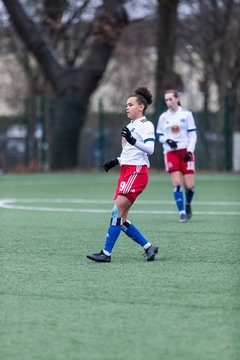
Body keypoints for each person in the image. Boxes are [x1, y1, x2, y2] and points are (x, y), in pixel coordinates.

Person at [87, 86, 158, 262]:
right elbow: (129, 153)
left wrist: (134, 141)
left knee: (116, 211)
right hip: (127, 171)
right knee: (122, 218)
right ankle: (149, 247)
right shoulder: (129, 126)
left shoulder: (146, 125)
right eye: (126, 105)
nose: (127, 107)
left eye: (131, 104)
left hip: (137, 172)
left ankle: (106, 253)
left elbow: (150, 149)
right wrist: (116, 161)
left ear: (141, 107)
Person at [156, 89, 197, 222]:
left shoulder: (186, 114)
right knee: (177, 183)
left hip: (185, 151)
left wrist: (189, 151)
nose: (168, 102)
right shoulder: (163, 117)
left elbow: (193, 135)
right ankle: (182, 213)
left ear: (177, 99)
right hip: (170, 152)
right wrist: (166, 140)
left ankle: (188, 204)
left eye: (170, 99)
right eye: (166, 100)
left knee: (189, 186)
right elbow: (159, 135)